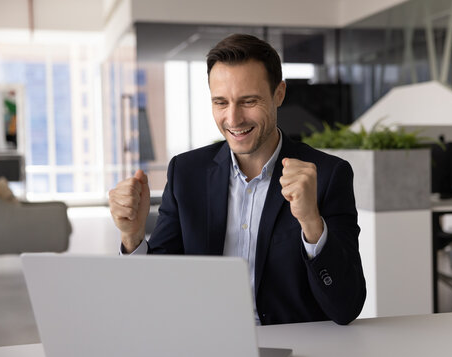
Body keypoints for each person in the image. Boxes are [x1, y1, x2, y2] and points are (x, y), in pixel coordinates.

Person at [108, 34, 366, 326]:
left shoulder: (327, 174)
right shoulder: (186, 173)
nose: (233, 118)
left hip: (296, 347)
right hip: (207, 343)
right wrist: (132, 237)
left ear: (279, 94)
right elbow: (156, 295)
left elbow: (346, 307)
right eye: (220, 102)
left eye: (249, 101)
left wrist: (311, 224)